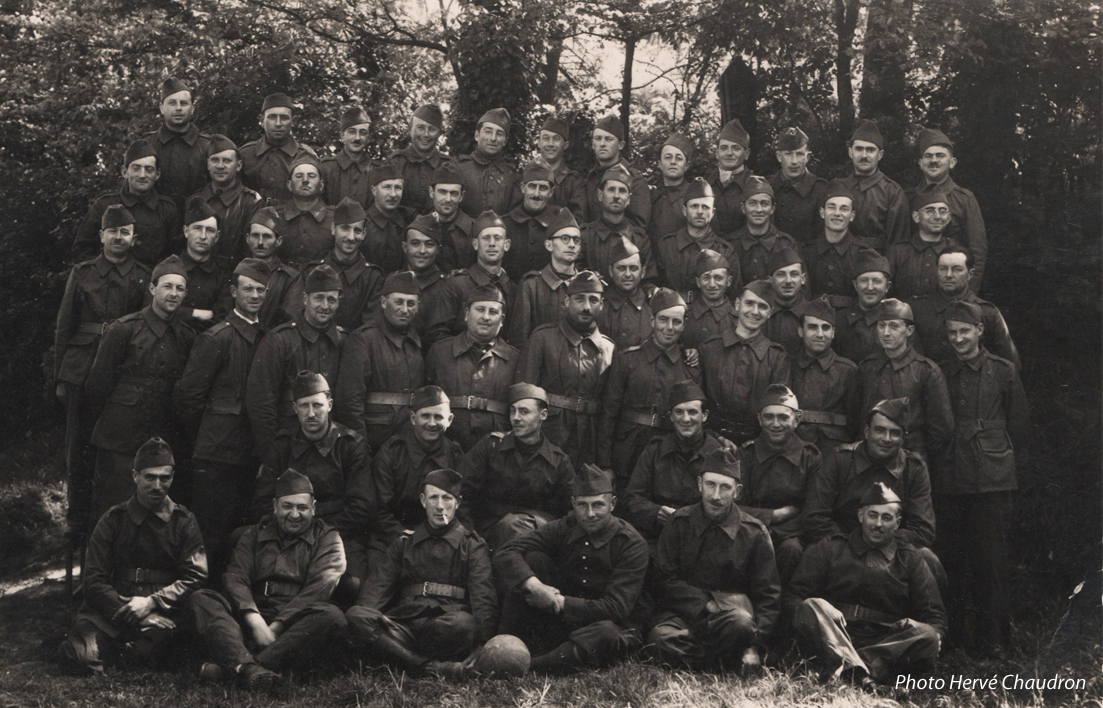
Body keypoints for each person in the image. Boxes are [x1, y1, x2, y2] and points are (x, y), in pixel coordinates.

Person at [58, 438, 207, 675]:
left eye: (164, 478)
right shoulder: (113, 520)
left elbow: (196, 577)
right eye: (150, 477)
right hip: (115, 608)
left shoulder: (184, 522)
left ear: (172, 477)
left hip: (163, 612)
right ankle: (109, 650)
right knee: (81, 655)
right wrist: (133, 614)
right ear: (135, 476)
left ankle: (127, 654)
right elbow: (94, 581)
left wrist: (151, 604)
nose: (157, 485)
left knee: (161, 648)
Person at [190, 470, 347, 690]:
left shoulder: (328, 538)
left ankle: (241, 667)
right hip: (252, 616)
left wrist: (276, 627)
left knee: (332, 616)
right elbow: (236, 577)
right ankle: (255, 670)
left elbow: (321, 586)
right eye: (287, 506)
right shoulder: (253, 534)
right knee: (203, 598)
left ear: (313, 508)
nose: (294, 515)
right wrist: (254, 620)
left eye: (302, 507)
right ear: (274, 507)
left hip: (294, 623)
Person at [786, 483, 946, 688]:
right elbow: (794, 596)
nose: (878, 524)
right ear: (860, 516)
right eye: (873, 515)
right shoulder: (831, 547)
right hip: (834, 634)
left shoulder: (909, 557)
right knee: (812, 605)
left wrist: (937, 637)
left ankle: (852, 670)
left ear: (897, 523)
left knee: (928, 636)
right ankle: (866, 675)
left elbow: (934, 614)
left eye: (887, 518)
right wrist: (815, 621)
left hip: (886, 641)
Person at [54, 205, 151, 540]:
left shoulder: (142, 274)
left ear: (134, 238)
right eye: (113, 232)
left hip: (120, 371)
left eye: (125, 232)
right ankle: (77, 518)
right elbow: (64, 326)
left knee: (114, 447)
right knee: (78, 445)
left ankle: (114, 516)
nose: (118, 238)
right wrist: (60, 377)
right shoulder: (82, 273)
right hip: (80, 370)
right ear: (101, 236)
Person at [494, 465, 648, 674]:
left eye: (598, 505)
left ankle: (529, 666)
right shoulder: (565, 526)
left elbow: (616, 608)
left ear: (612, 504)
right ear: (573, 504)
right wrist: (534, 585)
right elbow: (508, 551)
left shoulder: (630, 543)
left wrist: (559, 602)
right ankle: (501, 645)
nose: (590, 513)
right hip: (565, 621)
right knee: (534, 559)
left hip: (606, 624)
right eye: (582, 505)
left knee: (607, 634)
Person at [939, 300, 1029, 655]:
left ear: (979, 331)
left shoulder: (1003, 370)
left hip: (992, 478)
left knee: (991, 560)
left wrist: (1006, 466)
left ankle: (994, 640)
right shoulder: (942, 372)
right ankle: (955, 637)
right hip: (951, 475)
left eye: (965, 331)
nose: (959, 339)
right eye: (952, 333)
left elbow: (1019, 427)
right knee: (952, 559)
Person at [347, 468, 496, 679]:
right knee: (356, 615)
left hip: (445, 626)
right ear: (423, 501)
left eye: (447, 498)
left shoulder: (472, 546)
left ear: (458, 503)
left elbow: (484, 596)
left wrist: (483, 642)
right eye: (433, 497)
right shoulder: (404, 543)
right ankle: (429, 667)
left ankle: (398, 659)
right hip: (405, 626)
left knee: (464, 624)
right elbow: (376, 590)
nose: (440, 506)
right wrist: (366, 621)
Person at [173, 258, 269, 576]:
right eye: (248, 289)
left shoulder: (268, 340)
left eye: (260, 290)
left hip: (251, 455)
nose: (254, 295)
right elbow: (189, 399)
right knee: (210, 537)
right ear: (233, 292)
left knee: (244, 538)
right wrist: (207, 438)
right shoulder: (217, 338)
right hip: (216, 456)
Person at [648, 448, 781, 672]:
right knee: (660, 639)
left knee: (741, 623)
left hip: (731, 620)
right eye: (710, 485)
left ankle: (711, 659)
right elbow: (663, 579)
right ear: (699, 484)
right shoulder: (679, 522)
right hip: (684, 615)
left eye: (725, 487)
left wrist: (754, 645)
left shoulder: (754, 532)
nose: (716, 495)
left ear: (737, 491)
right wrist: (704, 604)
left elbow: (768, 596)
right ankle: (723, 661)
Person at [85, 255, 196, 519]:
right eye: (167, 286)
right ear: (152, 288)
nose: (173, 294)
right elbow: (97, 387)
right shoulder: (124, 329)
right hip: (120, 441)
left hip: (161, 442)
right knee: (112, 514)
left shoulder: (187, 337)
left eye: (180, 289)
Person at [801, 398, 941, 587]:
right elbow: (815, 517)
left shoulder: (914, 468)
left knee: (928, 560)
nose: (886, 439)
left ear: (903, 438)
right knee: (812, 556)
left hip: (893, 551)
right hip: (842, 546)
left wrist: (881, 544)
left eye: (895, 433)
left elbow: (923, 530)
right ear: (867, 431)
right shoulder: (840, 459)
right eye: (880, 430)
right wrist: (855, 544)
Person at [253, 371, 373, 584]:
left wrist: (318, 532)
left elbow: (360, 507)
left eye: (317, 405)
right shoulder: (282, 444)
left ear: (329, 404)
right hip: (287, 532)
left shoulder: (350, 446)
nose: (311, 414)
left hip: (338, 533)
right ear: (294, 409)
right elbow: (264, 500)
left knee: (352, 585)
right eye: (304, 406)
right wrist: (293, 529)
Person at [598, 288, 698, 489]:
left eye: (676, 322)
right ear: (652, 321)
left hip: (669, 454)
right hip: (627, 451)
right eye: (663, 320)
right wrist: (605, 464)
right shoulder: (628, 359)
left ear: (684, 325)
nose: (669, 327)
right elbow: (608, 413)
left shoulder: (690, 367)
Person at [457, 383, 576, 550]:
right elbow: (461, 491)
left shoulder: (558, 461)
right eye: (513, 411)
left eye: (524, 411)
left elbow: (572, 508)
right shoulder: (491, 446)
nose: (516, 418)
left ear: (543, 414)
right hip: (490, 532)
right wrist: (469, 537)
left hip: (538, 534)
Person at [622, 380, 734, 554]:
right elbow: (632, 498)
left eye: (692, 412)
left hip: (702, 538)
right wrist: (656, 512)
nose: (686, 419)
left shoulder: (719, 454)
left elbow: (730, 505)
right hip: (656, 536)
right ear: (671, 416)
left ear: (704, 416)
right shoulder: (655, 449)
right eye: (679, 412)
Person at [245, 264, 344, 457]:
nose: (325, 306)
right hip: (288, 446)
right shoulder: (280, 340)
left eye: (331, 299)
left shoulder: (345, 341)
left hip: (333, 451)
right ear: (305, 299)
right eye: (319, 298)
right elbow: (261, 404)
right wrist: (272, 455)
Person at [516, 271, 614, 465]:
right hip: (549, 435)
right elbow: (523, 395)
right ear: (566, 302)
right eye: (579, 299)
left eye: (593, 300)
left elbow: (610, 407)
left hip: (590, 439)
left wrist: (604, 460)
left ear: (601, 305)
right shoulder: (542, 338)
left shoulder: (608, 348)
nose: (586, 307)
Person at [367, 387, 465, 566]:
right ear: (413, 418)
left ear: (449, 420)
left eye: (439, 417)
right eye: (425, 416)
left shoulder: (455, 456)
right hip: (391, 538)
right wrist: (403, 537)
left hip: (440, 539)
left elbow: (463, 508)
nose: (432, 423)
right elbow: (379, 510)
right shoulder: (392, 452)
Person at [735, 384, 821, 584]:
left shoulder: (810, 457)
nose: (775, 424)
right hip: (750, 529)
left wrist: (778, 531)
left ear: (797, 419)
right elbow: (735, 505)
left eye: (783, 417)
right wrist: (772, 516)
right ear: (759, 419)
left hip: (793, 534)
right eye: (768, 417)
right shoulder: (746, 454)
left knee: (792, 551)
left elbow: (813, 509)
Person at [334, 271, 425, 449]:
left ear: (418, 306)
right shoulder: (363, 339)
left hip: (409, 440)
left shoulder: (416, 342)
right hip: (375, 439)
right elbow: (349, 402)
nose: (405, 309)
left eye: (411, 303)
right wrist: (360, 448)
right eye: (398, 302)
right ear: (383, 302)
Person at [858, 298, 953, 465]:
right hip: (869, 458)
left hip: (911, 458)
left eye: (894, 326)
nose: (886, 333)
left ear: (909, 330)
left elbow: (942, 429)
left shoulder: (927, 371)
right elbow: (856, 418)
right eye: (881, 326)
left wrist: (917, 456)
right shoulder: (867, 368)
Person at [426, 286, 519, 451]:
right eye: (480, 310)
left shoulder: (514, 359)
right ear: (467, 314)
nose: (486, 317)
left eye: (493, 312)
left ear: (502, 319)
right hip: (445, 445)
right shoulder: (440, 352)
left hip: (496, 449)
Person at [699, 280, 790, 444]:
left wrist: (758, 443)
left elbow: (777, 407)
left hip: (757, 446)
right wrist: (713, 437)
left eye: (762, 306)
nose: (755, 312)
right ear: (738, 304)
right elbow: (698, 399)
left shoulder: (776, 357)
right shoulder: (710, 348)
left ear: (770, 313)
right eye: (749, 303)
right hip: (710, 441)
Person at [72, 139, 180, 266]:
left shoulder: (167, 209)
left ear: (157, 174)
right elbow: (82, 249)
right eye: (136, 169)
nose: (142, 175)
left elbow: (174, 253)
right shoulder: (104, 205)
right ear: (125, 172)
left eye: (149, 169)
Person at [905, 128, 988, 290]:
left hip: (951, 282)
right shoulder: (908, 197)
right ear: (920, 164)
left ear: (952, 162)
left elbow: (977, 251)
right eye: (928, 156)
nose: (934, 160)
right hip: (914, 281)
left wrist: (968, 294)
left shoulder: (964, 199)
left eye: (940, 156)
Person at [911, 247, 1020, 369]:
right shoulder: (918, 310)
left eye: (957, 269)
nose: (948, 275)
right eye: (943, 269)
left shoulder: (987, 313)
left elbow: (1010, 364)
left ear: (970, 274)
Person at [426, 210, 515, 346]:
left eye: (497, 238)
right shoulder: (457, 284)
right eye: (486, 238)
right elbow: (438, 334)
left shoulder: (513, 289)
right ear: (475, 244)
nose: (492, 243)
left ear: (506, 244)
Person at [790, 297, 861, 455]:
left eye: (826, 328)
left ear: (833, 332)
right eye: (813, 327)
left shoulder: (847, 370)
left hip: (833, 451)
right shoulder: (788, 365)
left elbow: (856, 421)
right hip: (793, 447)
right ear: (801, 331)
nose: (820, 334)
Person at [309, 197, 385, 331]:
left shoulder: (373, 278)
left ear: (364, 234)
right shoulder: (312, 271)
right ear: (333, 229)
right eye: (345, 228)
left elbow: (371, 327)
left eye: (357, 230)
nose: (351, 237)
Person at [188, 135, 263, 269]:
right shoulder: (195, 199)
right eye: (215, 160)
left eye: (227, 161)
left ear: (238, 165)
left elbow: (252, 248)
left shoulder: (251, 201)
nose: (220, 166)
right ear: (207, 164)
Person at [655, 178, 739, 295]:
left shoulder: (725, 251)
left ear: (713, 213)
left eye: (705, 207)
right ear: (684, 211)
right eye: (694, 206)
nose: (700, 211)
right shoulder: (667, 246)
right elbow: (654, 285)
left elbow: (734, 295)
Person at [837, 119, 909, 252]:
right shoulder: (837, 187)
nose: (864, 155)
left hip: (877, 263)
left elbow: (898, 244)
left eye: (870, 150)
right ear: (850, 152)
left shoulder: (892, 192)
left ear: (880, 155)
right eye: (859, 149)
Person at [511, 208, 580, 342]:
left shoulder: (586, 284)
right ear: (549, 245)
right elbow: (520, 339)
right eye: (565, 239)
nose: (572, 245)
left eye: (576, 240)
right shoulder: (531, 286)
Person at [580, 164, 657, 282]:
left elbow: (648, 280)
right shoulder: (585, 236)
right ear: (600, 195)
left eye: (622, 191)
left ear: (629, 199)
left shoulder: (640, 238)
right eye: (611, 190)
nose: (616, 196)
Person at [146, 77, 211, 211]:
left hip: (196, 219)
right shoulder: (148, 144)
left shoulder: (206, 146)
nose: (178, 108)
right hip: (155, 218)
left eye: (183, 103)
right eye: (172, 103)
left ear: (192, 109)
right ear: (162, 108)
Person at [888, 190, 964, 301]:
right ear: (916, 217)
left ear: (948, 218)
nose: (937, 216)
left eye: (942, 211)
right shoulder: (898, 251)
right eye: (930, 211)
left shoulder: (956, 251)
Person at [240, 92, 316, 202]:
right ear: (261, 120)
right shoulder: (245, 154)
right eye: (272, 117)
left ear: (293, 121)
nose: (278, 123)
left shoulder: (305, 156)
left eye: (284, 118)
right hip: (251, 217)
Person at [801, 180, 864, 309]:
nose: (837, 213)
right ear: (822, 213)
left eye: (844, 209)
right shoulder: (806, 252)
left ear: (852, 216)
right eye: (831, 207)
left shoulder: (862, 253)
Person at [582, 115, 650, 228]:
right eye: (598, 138)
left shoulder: (635, 180)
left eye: (609, 139)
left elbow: (638, 225)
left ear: (620, 145)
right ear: (593, 144)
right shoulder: (591, 177)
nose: (602, 144)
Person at [729, 178, 799, 285]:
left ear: (772, 208)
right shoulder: (730, 245)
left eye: (764, 204)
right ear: (743, 208)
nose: (758, 209)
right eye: (752, 203)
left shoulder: (786, 244)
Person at [767, 127, 828, 245]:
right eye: (788, 154)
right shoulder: (766, 187)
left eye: (799, 154)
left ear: (808, 157)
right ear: (779, 157)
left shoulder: (821, 189)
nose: (794, 161)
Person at [177, 196, 230, 330]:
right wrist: (194, 313)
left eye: (210, 230)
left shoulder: (223, 273)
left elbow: (222, 317)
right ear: (186, 231)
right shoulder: (169, 266)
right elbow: (155, 309)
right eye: (197, 228)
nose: (202, 236)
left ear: (217, 237)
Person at [244, 206, 302, 330]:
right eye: (255, 235)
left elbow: (289, 319)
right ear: (247, 238)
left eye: (267, 237)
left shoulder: (290, 278)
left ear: (278, 241)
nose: (260, 242)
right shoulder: (236, 272)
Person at [834, 248, 894, 365]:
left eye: (876, 281)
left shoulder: (897, 320)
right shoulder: (840, 320)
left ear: (887, 286)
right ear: (855, 285)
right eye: (864, 281)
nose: (870, 287)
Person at [595, 237, 655, 351]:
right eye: (621, 268)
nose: (628, 274)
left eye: (633, 268)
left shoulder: (652, 304)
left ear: (642, 272)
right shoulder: (599, 305)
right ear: (611, 271)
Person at [503, 162, 562, 277]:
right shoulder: (505, 224)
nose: (536, 194)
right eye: (532, 186)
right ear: (522, 188)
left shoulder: (559, 224)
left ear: (551, 192)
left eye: (543, 188)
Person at [389, 103, 449, 216]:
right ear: (410, 129)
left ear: (439, 133)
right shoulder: (395, 162)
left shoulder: (448, 165)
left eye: (432, 129)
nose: (426, 134)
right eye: (420, 128)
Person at [455, 107, 517, 217]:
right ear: (477, 135)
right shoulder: (459, 169)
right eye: (488, 132)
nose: (493, 138)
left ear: (505, 141)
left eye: (499, 134)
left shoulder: (511, 174)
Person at [275, 155, 335, 267]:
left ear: (321, 185)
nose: (305, 181)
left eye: (311, 176)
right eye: (299, 176)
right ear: (289, 185)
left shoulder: (335, 218)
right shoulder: (274, 216)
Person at [401, 213, 450, 345]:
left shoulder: (448, 287)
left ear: (438, 250)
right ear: (405, 247)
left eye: (429, 244)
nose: (422, 251)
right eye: (415, 243)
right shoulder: (391, 282)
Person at [319, 106, 377, 207]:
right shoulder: (325, 168)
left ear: (368, 138)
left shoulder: (378, 170)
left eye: (363, 133)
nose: (357, 138)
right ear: (342, 136)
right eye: (352, 132)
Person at [706, 119, 756, 235]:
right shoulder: (705, 183)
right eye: (724, 148)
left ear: (746, 154)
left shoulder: (755, 184)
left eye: (736, 148)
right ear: (717, 153)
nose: (729, 153)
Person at [681, 249, 737, 350]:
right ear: (698, 282)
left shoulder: (737, 319)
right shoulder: (685, 314)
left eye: (718, 278)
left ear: (729, 281)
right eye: (706, 278)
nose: (712, 284)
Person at [647, 132, 694, 253]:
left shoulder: (693, 195)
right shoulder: (651, 195)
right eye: (668, 157)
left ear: (687, 165)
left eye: (679, 158)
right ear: (660, 164)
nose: (673, 162)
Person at [534, 115, 586, 220]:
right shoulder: (525, 176)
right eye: (546, 138)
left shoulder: (574, 182)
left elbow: (578, 219)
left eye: (556, 139)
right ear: (539, 142)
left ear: (565, 145)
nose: (550, 144)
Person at [762, 247, 810, 358]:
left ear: (803, 279)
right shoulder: (760, 312)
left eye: (794, 274)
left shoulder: (811, 313)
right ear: (771, 280)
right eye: (781, 274)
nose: (788, 281)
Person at [362, 164, 409, 274]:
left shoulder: (409, 222)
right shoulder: (362, 223)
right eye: (386, 187)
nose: (393, 194)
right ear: (374, 191)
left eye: (398, 188)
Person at [430, 162, 477, 271]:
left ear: (461, 196)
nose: (448, 199)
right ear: (431, 192)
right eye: (442, 192)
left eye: (454, 193)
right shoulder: (419, 226)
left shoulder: (474, 230)